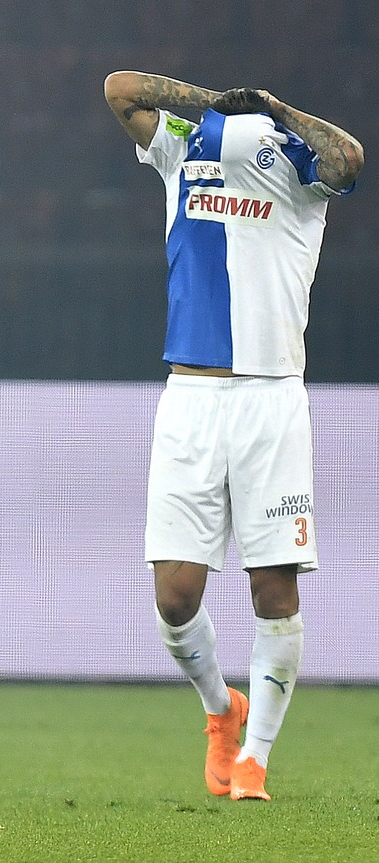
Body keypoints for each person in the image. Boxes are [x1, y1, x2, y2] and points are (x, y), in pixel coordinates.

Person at [104, 71, 362, 801]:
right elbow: (119, 88)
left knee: (273, 587)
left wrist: (279, 108)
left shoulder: (301, 162)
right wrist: (211, 103)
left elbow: (350, 159)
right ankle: (222, 709)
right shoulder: (184, 147)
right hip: (190, 398)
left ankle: (255, 758)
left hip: (270, 396)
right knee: (175, 596)